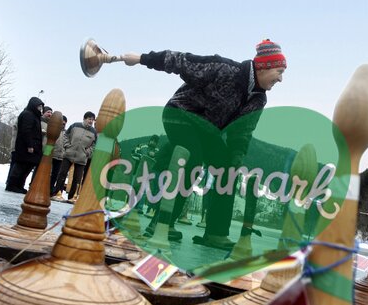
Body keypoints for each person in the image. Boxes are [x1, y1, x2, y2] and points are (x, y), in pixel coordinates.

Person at [120, 39, 286, 248]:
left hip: (208, 130)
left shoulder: (259, 99)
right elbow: (181, 61)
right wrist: (142, 58)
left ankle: (216, 233)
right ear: (264, 67)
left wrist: (236, 157)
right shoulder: (226, 69)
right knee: (192, 158)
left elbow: (242, 132)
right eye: (279, 71)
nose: (281, 79)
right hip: (181, 114)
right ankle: (162, 223)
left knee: (227, 169)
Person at [5, 97, 45, 193]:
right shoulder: (28, 115)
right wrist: (29, 145)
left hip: (32, 146)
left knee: (26, 167)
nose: (40, 109)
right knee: (20, 167)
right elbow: (25, 131)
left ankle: (19, 185)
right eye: (39, 106)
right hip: (26, 147)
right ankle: (12, 185)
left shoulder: (34, 116)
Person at [57, 111, 97, 203]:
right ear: (84, 118)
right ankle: (57, 193)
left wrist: (87, 152)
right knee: (62, 174)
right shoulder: (75, 125)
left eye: (92, 120)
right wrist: (67, 146)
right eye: (89, 119)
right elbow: (66, 135)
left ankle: (72, 197)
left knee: (77, 178)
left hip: (82, 158)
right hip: (68, 154)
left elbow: (94, 145)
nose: (91, 121)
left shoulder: (93, 132)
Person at [50, 115, 69, 198]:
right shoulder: (54, 130)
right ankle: (47, 188)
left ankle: (53, 191)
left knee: (57, 175)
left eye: (65, 122)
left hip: (61, 157)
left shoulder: (66, 133)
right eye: (62, 121)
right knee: (49, 174)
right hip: (52, 155)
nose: (63, 123)